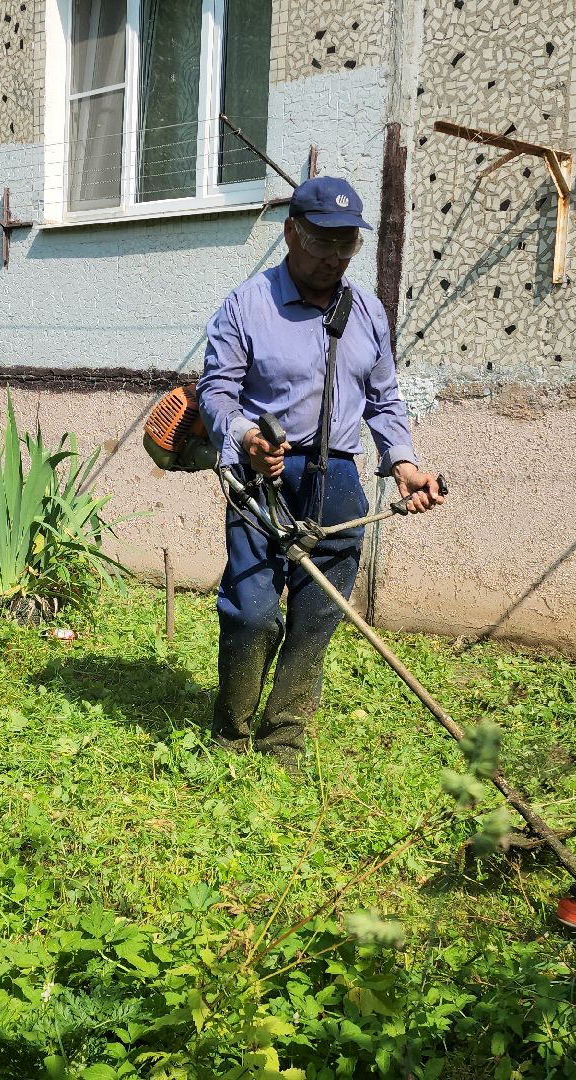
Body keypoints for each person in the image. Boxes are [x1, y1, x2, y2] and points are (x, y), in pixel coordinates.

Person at [196, 176, 446, 769]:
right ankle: (230, 734)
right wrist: (246, 439)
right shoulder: (246, 305)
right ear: (291, 233)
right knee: (252, 609)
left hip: (337, 477)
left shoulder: (367, 312)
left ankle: (283, 740)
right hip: (262, 476)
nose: (335, 257)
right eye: (323, 242)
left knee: (316, 615)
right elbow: (215, 395)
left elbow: (385, 400)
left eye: (347, 245)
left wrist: (403, 463)